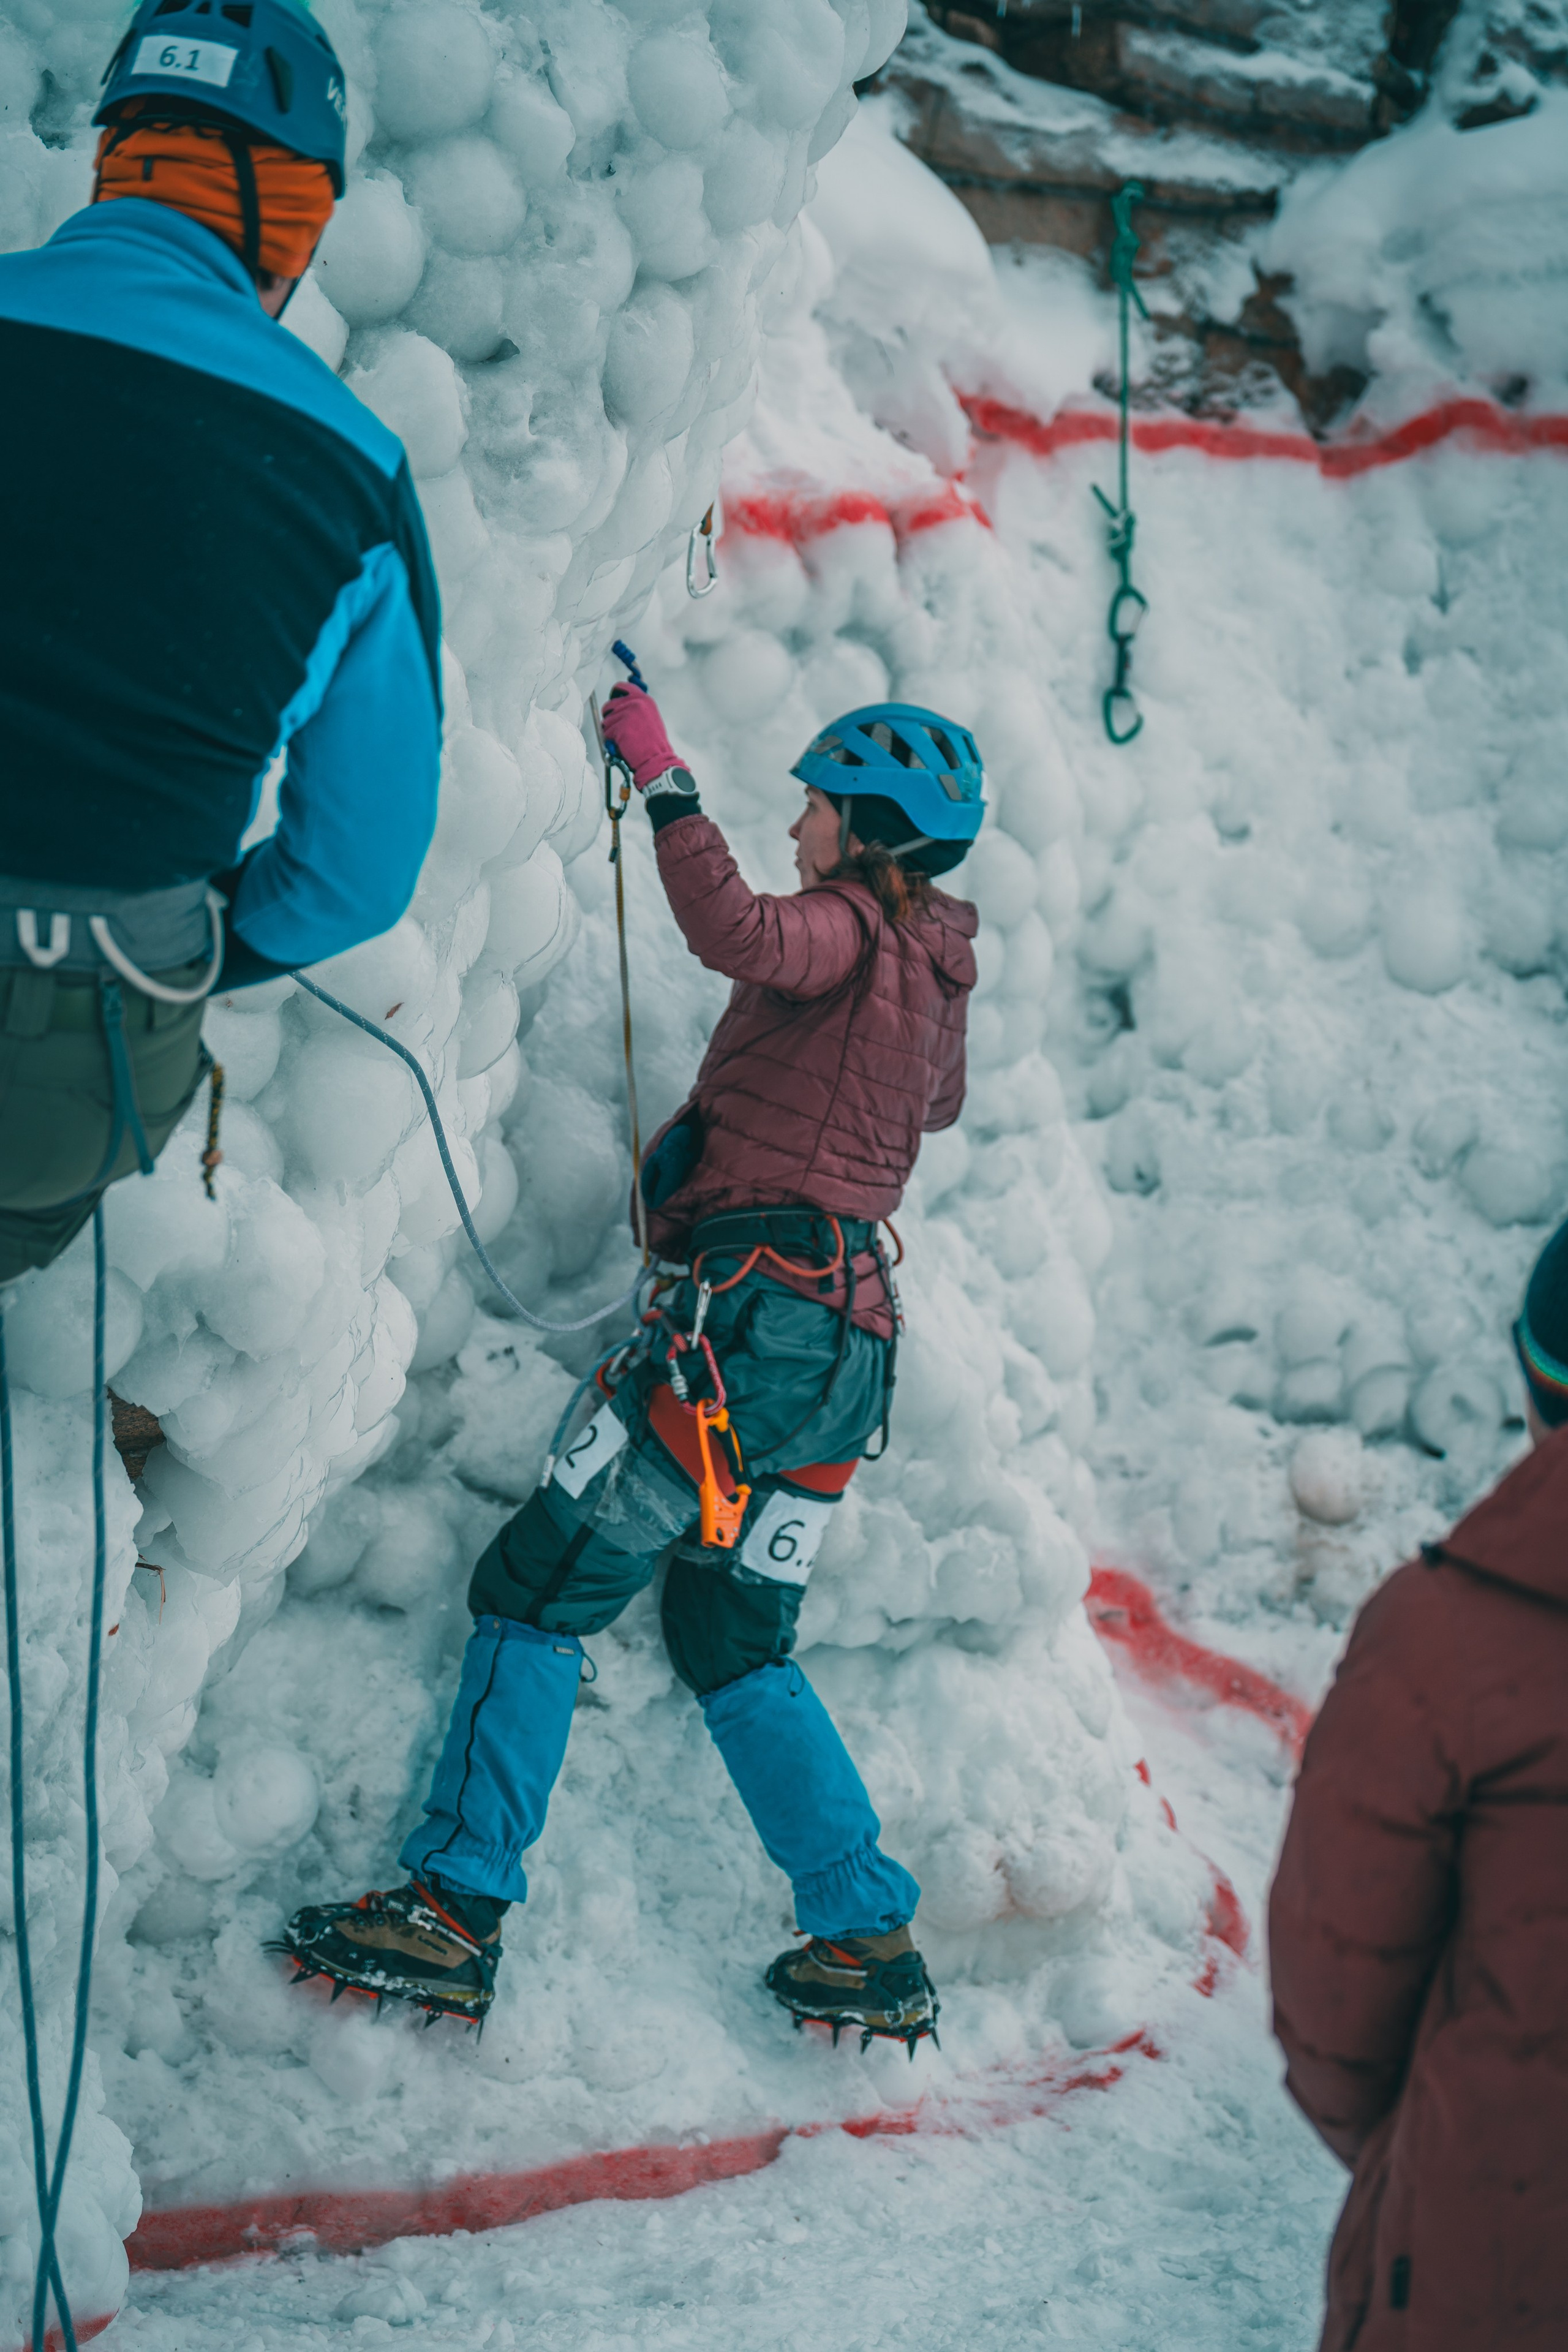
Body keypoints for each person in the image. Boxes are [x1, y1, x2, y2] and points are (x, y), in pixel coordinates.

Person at [281, 695, 984, 2049]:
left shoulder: (841, 928)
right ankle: (861, 1935)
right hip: (846, 1355)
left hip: (746, 1332)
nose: (797, 824)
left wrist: (664, 780)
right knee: (731, 1635)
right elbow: (932, 1103)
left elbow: (743, 933)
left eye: (818, 807)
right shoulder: (938, 974)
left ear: (865, 833)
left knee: (537, 1587)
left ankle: (453, 1905)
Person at [0, 0, 442, 1286]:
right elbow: (356, 873)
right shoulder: (348, 470)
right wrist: (194, 945)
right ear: (293, 217)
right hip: (79, 1044)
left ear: (116, 157)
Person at [1269, 1221, 1568, 2351]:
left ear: (1537, 1387)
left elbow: (1335, 2006)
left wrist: (1447, 2147)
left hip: (1486, 2272)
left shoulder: (1444, 1638)